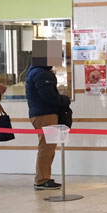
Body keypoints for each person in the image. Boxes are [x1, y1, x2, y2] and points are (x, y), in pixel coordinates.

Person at [25, 39, 70, 191]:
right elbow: (49, 97)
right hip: (45, 114)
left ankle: (44, 177)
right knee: (46, 148)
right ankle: (42, 179)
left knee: (47, 147)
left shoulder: (36, 71)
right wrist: (64, 100)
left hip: (42, 113)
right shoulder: (41, 74)